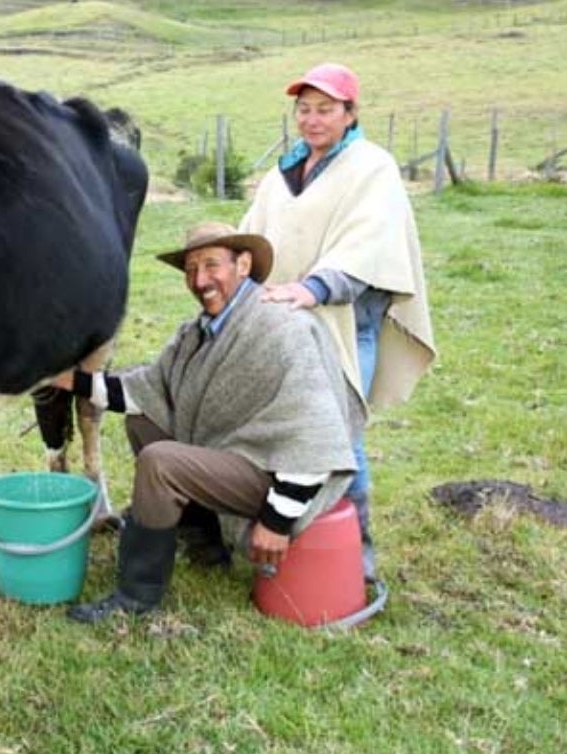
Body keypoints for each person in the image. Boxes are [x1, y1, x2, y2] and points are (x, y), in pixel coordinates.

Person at [55, 221, 361, 623]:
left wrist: (276, 520)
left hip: (277, 473)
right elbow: (142, 392)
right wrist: (64, 380)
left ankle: (135, 596)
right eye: (191, 269)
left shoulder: (282, 327)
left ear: (244, 264)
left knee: (161, 463)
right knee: (144, 420)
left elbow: (314, 436)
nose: (200, 280)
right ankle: (204, 539)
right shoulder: (198, 332)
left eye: (212, 265)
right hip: (237, 453)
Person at [239, 62, 437, 580]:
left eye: (325, 109)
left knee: (336, 437)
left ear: (351, 114)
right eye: (304, 109)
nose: (312, 119)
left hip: (346, 323)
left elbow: (368, 245)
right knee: (279, 429)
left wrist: (313, 288)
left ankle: (356, 564)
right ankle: (273, 550)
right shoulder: (286, 171)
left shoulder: (372, 167)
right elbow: (253, 237)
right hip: (283, 325)